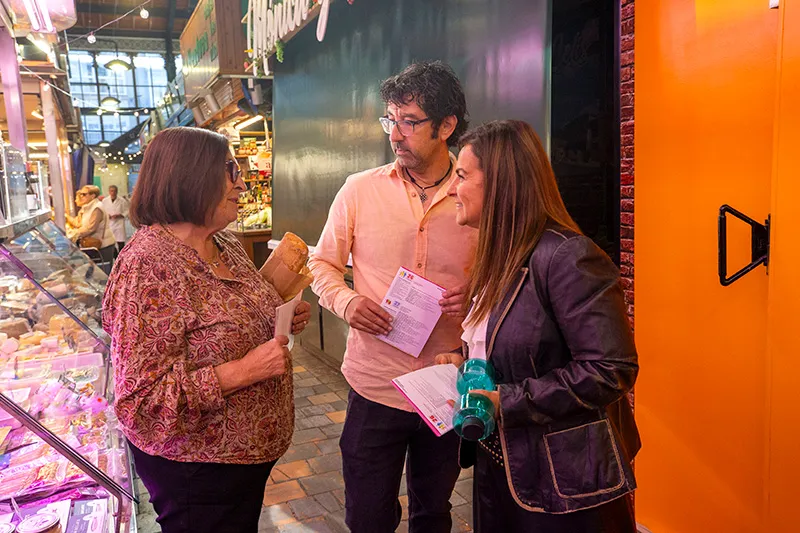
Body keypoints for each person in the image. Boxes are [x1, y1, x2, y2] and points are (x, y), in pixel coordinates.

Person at [102, 127, 312, 533]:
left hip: (240, 469)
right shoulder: (149, 266)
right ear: (191, 176)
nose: (242, 181)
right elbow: (140, 403)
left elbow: (224, 318)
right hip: (197, 474)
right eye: (230, 168)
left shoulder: (225, 242)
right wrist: (245, 371)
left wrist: (275, 314)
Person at [437, 120, 640, 532]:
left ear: (500, 184)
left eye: (461, 175)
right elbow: (512, 350)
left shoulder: (567, 257)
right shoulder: (501, 257)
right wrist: (463, 362)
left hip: (563, 486)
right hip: (504, 466)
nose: (450, 190)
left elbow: (610, 368)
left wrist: (504, 401)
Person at [308, 61, 477, 533]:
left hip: (446, 383)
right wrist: (346, 303)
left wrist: (480, 297)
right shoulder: (359, 191)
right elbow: (320, 263)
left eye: (409, 121)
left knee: (433, 512)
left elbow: (503, 278)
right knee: (367, 516)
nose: (395, 134)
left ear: (447, 126)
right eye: (390, 120)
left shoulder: (477, 196)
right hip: (375, 383)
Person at [66, 184, 117, 272]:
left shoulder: (97, 208)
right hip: (96, 245)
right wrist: (66, 217)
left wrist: (74, 234)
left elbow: (91, 228)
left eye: (84, 194)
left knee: (103, 272)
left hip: (103, 245)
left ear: (93, 196)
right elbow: (79, 223)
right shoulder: (86, 208)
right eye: (81, 194)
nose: (81, 196)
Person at [101, 184, 130, 254]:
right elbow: (102, 211)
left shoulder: (122, 200)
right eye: (111, 191)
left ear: (117, 191)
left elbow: (127, 210)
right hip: (109, 223)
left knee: (120, 241)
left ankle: (122, 255)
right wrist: (107, 215)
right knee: (110, 241)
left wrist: (121, 215)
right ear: (109, 192)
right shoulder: (105, 201)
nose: (113, 192)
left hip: (119, 223)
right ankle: (115, 255)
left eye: (114, 191)